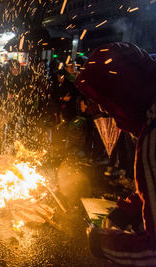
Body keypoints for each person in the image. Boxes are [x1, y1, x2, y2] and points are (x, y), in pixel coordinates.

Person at [76, 42, 156, 265]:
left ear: (125, 93)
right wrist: (132, 208)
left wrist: (103, 242)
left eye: (109, 104)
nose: (109, 115)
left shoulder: (153, 137)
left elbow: (153, 254)